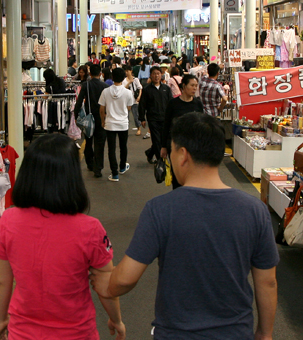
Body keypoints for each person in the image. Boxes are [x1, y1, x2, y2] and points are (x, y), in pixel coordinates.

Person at [91, 113, 279, 340]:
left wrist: (106, 287)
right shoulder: (255, 210)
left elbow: (125, 278)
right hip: (235, 332)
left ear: (182, 155)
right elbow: (267, 281)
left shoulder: (160, 209)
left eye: (171, 151)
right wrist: (265, 333)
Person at [0, 134, 126, 340]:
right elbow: (105, 285)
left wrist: (2, 320)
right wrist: (116, 320)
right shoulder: (90, 229)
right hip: (77, 333)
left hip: (23, 332)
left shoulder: (8, 221)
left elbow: (2, 281)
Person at [161, 74, 203, 189]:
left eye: (196, 86)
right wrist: (163, 146)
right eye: (192, 85)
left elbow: (201, 126)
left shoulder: (198, 104)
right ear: (183, 86)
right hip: (176, 145)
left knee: (191, 174)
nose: (195, 88)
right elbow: (166, 125)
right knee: (177, 174)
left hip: (193, 146)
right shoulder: (173, 104)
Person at [98, 67, 134, 182]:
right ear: (124, 78)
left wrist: (103, 120)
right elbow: (129, 108)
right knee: (123, 147)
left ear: (112, 77)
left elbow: (101, 109)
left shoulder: (105, 91)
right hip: (123, 123)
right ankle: (122, 167)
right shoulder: (128, 92)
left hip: (110, 123)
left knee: (111, 149)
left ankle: (114, 174)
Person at [74, 63, 108, 178]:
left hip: (88, 118)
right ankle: (98, 168)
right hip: (101, 118)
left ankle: (89, 163)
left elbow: (79, 102)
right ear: (100, 73)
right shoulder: (105, 86)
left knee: (88, 140)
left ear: (90, 74)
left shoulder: (86, 85)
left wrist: (76, 116)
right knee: (100, 143)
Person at [139, 66, 172, 163]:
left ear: (161, 75)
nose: (156, 76)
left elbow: (171, 103)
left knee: (163, 139)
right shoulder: (147, 89)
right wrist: (142, 118)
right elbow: (142, 105)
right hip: (153, 118)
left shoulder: (166, 89)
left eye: (158, 73)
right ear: (151, 75)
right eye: (154, 74)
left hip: (165, 118)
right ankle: (161, 161)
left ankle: (150, 153)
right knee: (156, 140)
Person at [121, 64, 143, 136]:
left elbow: (140, 88)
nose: (127, 72)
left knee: (136, 115)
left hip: (134, 100)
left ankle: (139, 128)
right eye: (126, 71)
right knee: (126, 116)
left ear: (131, 71)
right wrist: (129, 82)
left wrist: (139, 96)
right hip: (126, 101)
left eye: (128, 71)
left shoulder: (136, 79)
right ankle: (125, 129)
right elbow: (123, 89)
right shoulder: (124, 80)